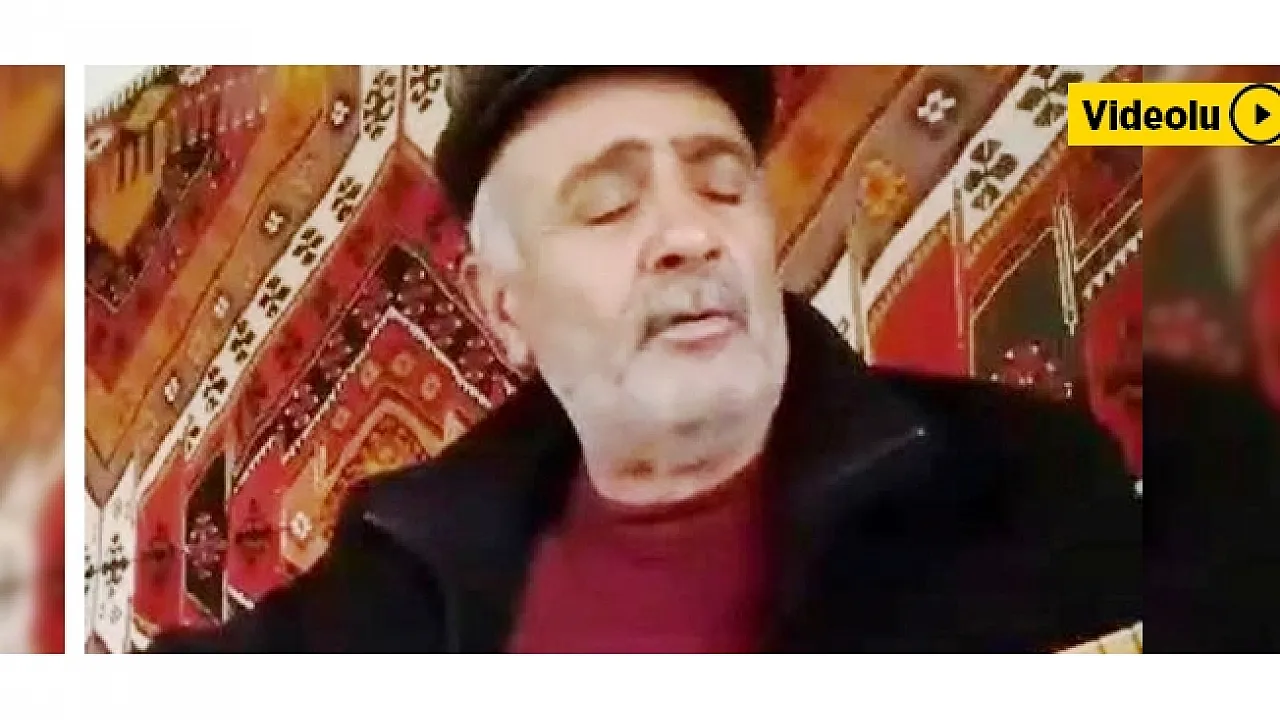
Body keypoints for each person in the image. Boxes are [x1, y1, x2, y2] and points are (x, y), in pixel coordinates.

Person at [144, 66, 1259, 653]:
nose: (691, 233)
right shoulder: (401, 562)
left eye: (723, 185)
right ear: (502, 307)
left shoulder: (1015, 475)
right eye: (608, 206)